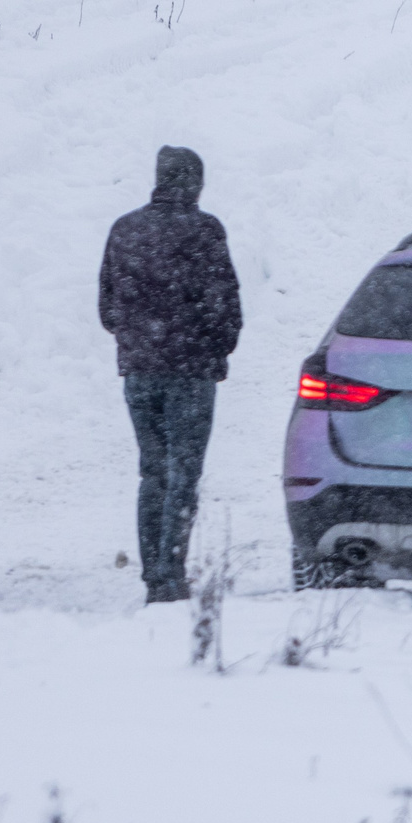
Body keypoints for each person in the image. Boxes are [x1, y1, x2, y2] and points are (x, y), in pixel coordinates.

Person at [98, 146, 242, 603]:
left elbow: (107, 308)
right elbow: (224, 305)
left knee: (153, 473)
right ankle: (170, 575)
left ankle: (152, 576)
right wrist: (215, 349)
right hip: (190, 371)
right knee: (183, 474)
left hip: (139, 371)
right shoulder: (203, 230)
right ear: (194, 182)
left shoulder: (124, 229)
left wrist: (139, 339)